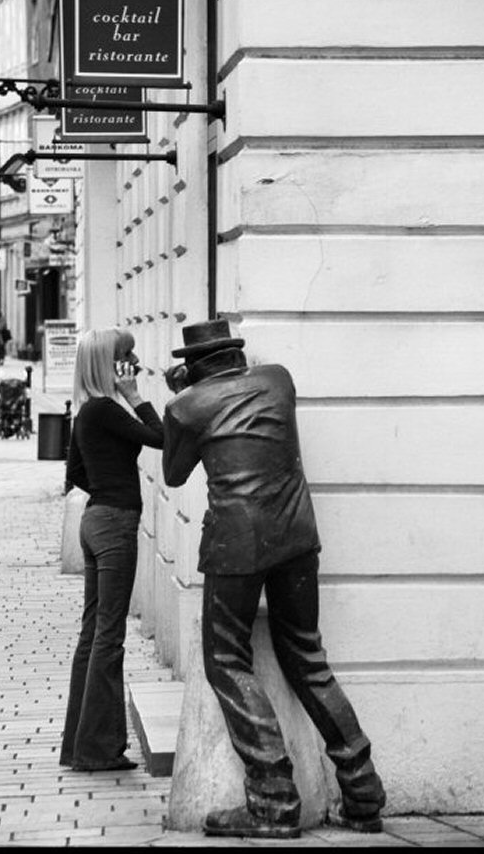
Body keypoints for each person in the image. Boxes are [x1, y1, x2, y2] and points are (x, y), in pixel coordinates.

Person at [162, 319, 386, 841]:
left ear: (194, 366)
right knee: (307, 658)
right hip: (296, 535)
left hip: (235, 543)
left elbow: (174, 473)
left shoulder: (186, 406)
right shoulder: (279, 380)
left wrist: (182, 398)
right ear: (235, 355)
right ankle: (363, 792)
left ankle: (274, 800)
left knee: (225, 660)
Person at [59, 328, 164, 772]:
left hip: (94, 521)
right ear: (109, 363)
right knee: (109, 637)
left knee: (92, 635)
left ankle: (80, 746)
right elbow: (161, 437)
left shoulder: (87, 413)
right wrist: (136, 395)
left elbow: (74, 473)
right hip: (116, 524)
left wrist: (106, 483)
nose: (135, 362)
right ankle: (99, 749)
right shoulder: (107, 410)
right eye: (127, 356)